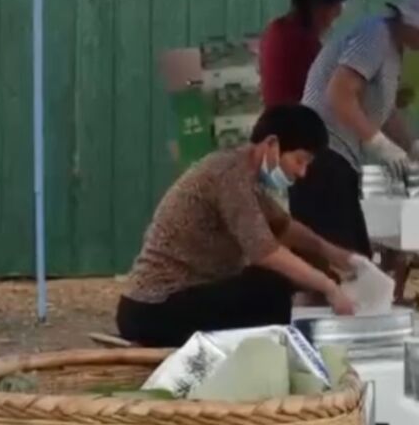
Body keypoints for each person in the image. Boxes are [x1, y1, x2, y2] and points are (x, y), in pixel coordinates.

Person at [116, 105, 359, 348]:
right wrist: (329, 287)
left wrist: (333, 253)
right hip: (154, 307)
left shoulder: (245, 176)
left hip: (172, 301)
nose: (302, 172)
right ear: (272, 144)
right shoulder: (229, 175)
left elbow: (283, 226)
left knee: (276, 281)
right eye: (299, 160)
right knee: (271, 287)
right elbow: (265, 251)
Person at [294, 0, 419, 256]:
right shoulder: (375, 35)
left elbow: (382, 110)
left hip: (336, 157)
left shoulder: (392, 46)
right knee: (337, 261)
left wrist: (414, 147)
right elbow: (339, 93)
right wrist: (380, 145)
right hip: (321, 155)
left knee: (343, 260)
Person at [259, 0, 347, 108]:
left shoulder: (276, 28)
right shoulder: (303, 41)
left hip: (275, 118)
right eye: (333, 16)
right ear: (317, 7)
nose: (331, 25)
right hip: (297, 121)